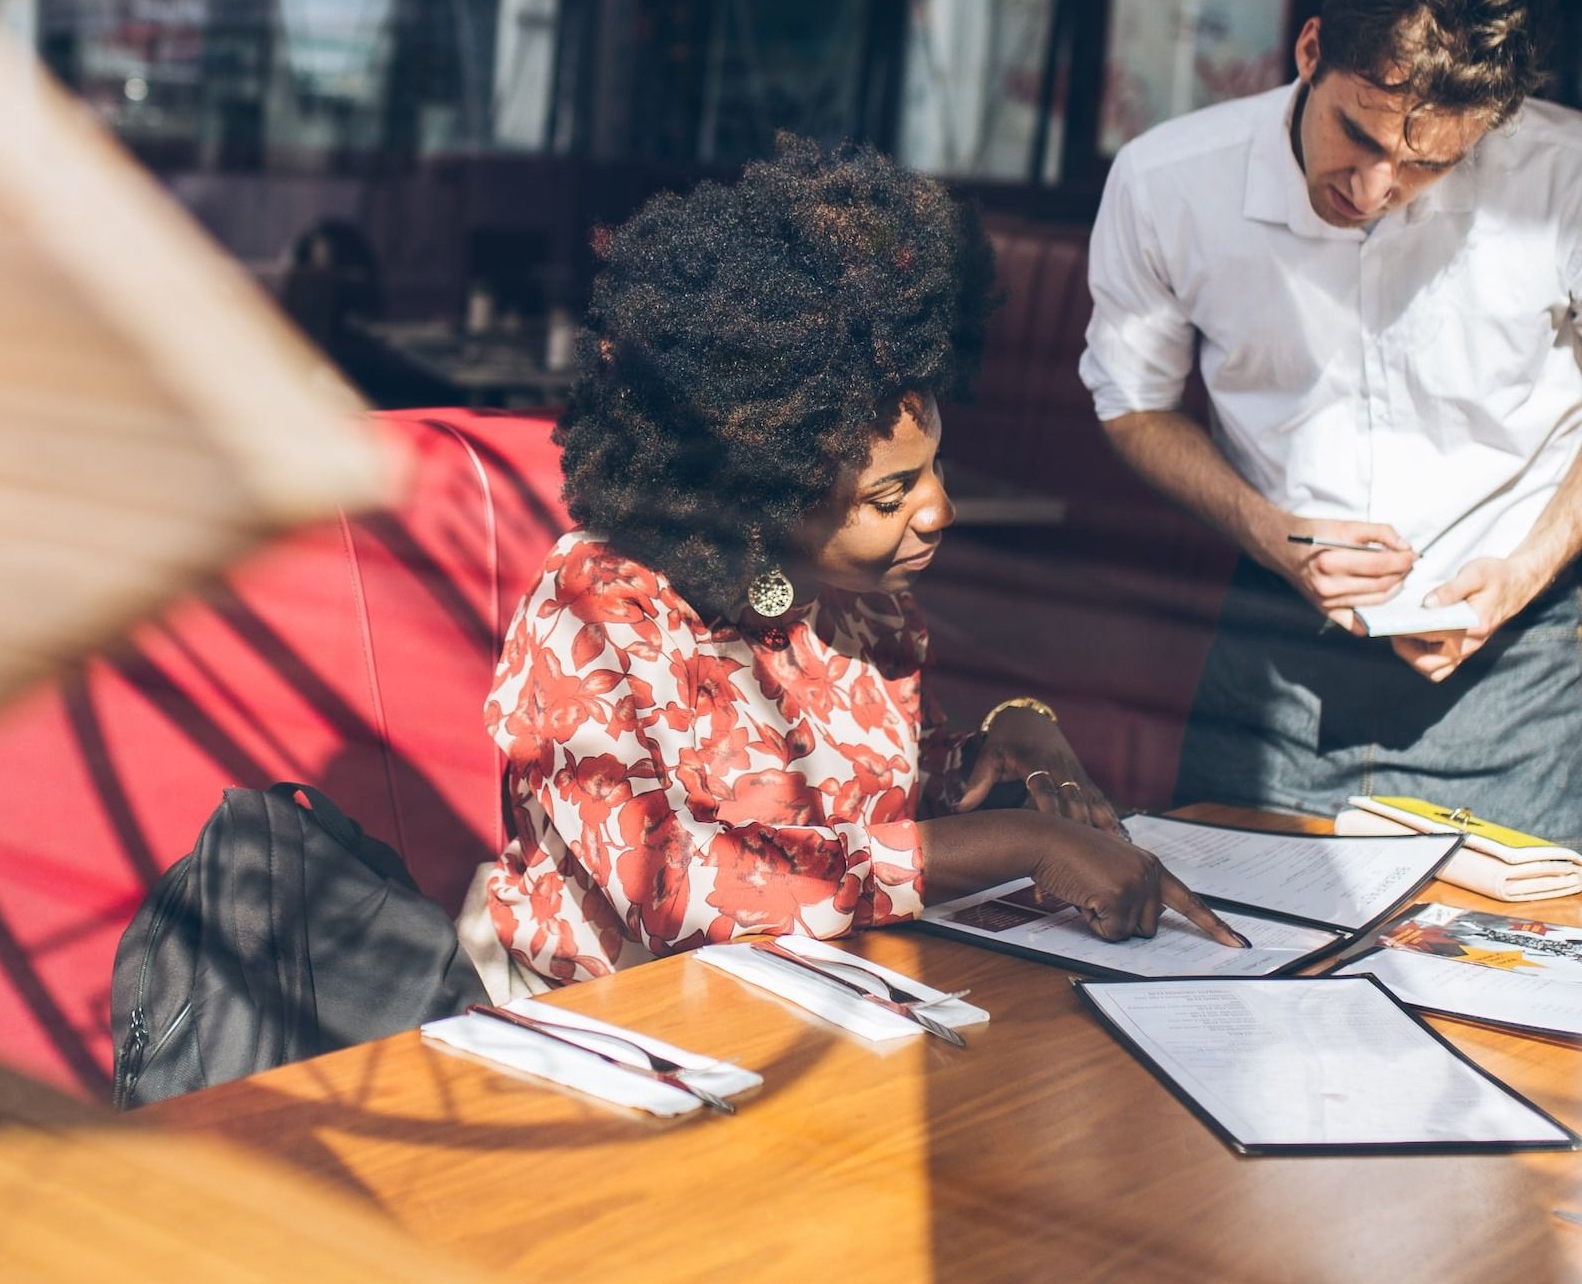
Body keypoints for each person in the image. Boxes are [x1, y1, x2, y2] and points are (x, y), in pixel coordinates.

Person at [471, 139, 1244, 991]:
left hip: (810, 1005)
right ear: (765, 490)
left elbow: (872, 806)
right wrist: (1024, 844)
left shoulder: (861, 604)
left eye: (938, 467)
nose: (939, 510)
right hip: (606, 1029)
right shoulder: (595, 610)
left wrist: (1001, 746)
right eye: (891, 495)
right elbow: (678, 891)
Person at [1080, 0, 1582, 838]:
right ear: (1311, 49)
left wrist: (1519, 575)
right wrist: (1270, 534)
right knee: (1228, 954)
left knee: (1504, 971)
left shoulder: (1566, 181)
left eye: (1430, 165)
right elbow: (1132, 404)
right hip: (1274, 653)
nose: (1375, 186)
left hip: (1520, 667)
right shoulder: (1165, 182)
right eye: (1359, 133)